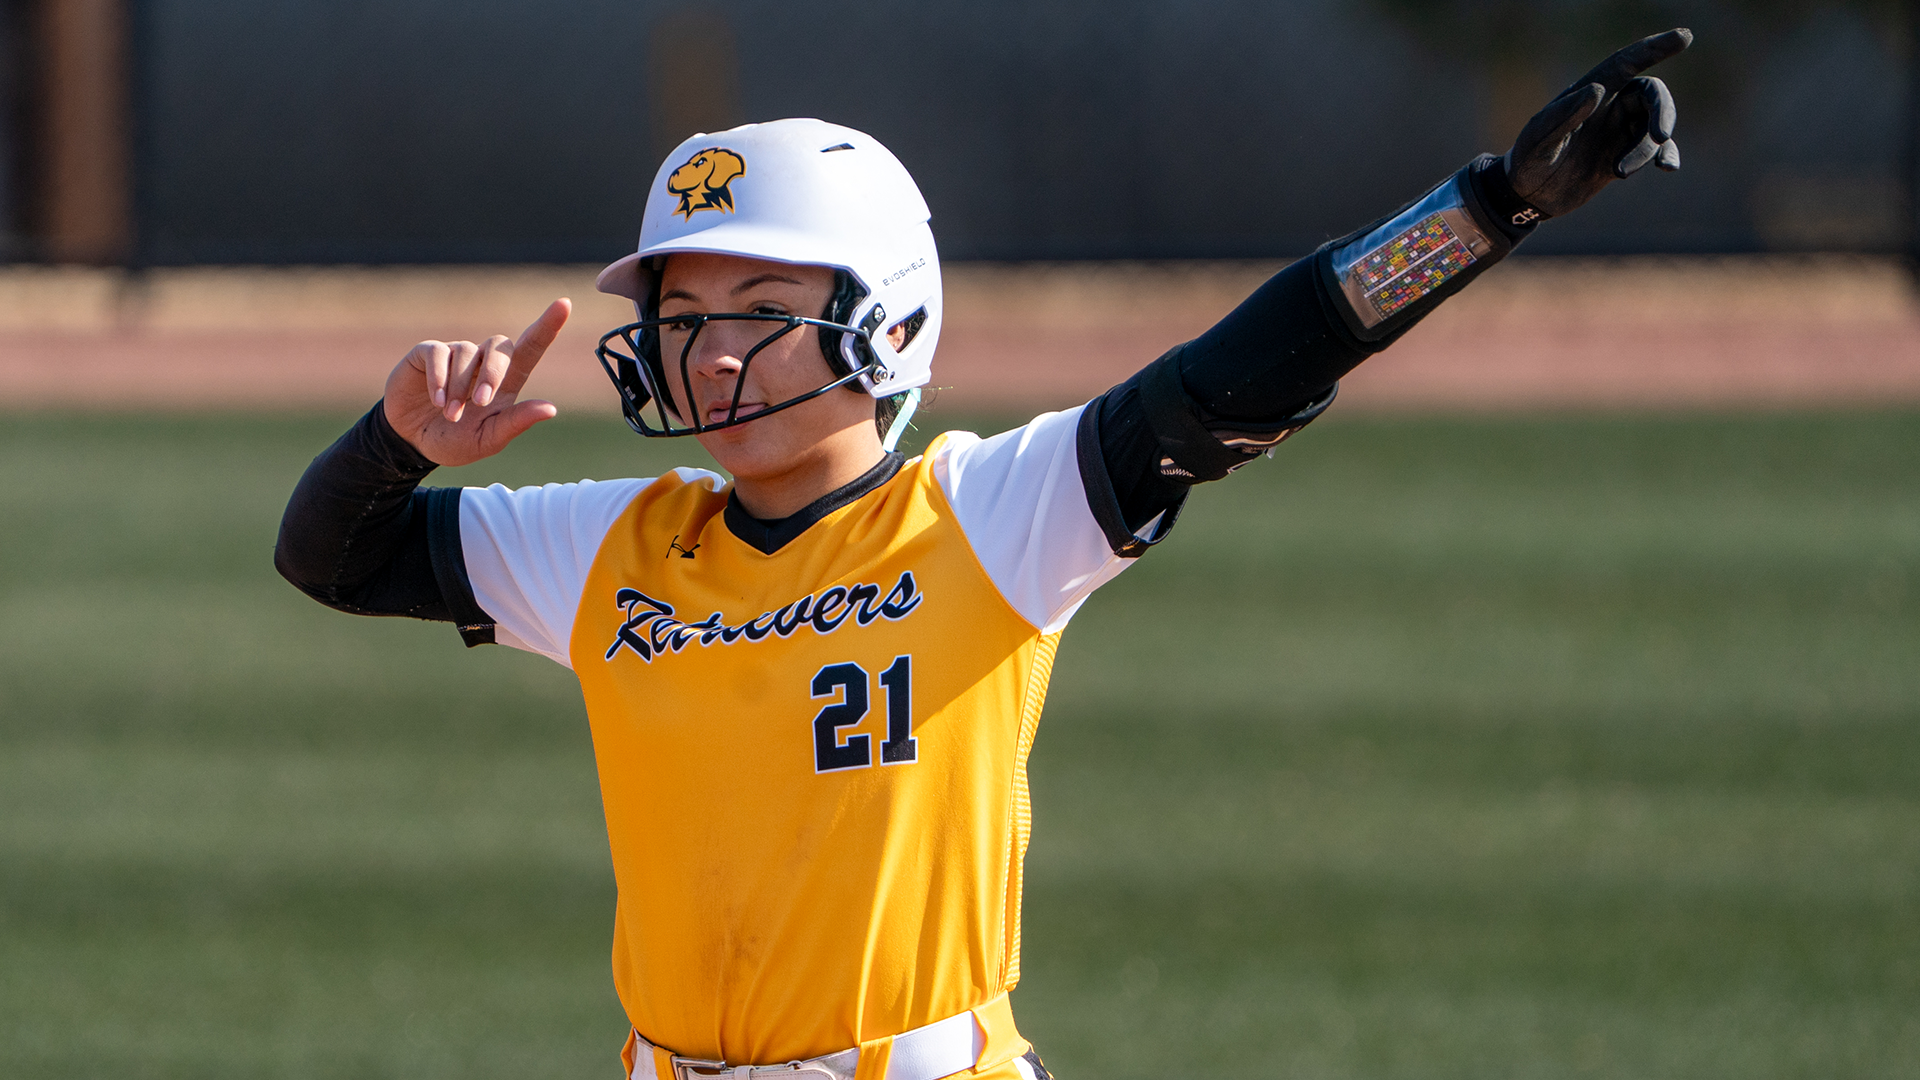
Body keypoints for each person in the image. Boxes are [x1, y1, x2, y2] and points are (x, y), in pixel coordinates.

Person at [276, 29, 1690, 1080]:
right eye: (682, 312)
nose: (707, 353)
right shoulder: (616, 542)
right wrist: (394, 442)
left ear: (884, 327)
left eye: (757, 307)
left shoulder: (991, 516)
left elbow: (1239, 377)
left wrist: (1482, 212)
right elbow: (335, 557)